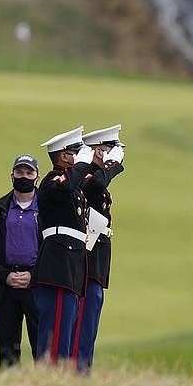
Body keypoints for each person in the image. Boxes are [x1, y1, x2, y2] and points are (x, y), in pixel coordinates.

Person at [30, 126, 95, 364]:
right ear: (65, 156)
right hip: (58, 266)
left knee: (66, 331)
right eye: (77, 151)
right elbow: (63, 186)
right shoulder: (51, 182)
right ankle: (50, 380)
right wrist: (82, 166)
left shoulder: (72, 184)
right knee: (56, 332)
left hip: (71, 266)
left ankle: (61, 380)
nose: (82, 155)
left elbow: (93, 184)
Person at [0, 154, 41, 369]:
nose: (24, 177)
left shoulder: (47, 210)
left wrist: (35, 274)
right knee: (7, 347)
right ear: (11, 176)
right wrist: (6, 276)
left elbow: (53, 249)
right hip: (4, 287)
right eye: (20, 172)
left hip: (36, 286)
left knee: (42, 345)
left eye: (29, 173)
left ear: (37, 178)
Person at [73, 124, 125, 372]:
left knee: (90, 319)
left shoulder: (97, 176)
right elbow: (92, 187)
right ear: (97, 152)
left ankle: (84, 370)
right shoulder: (86, 175)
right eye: (108, 150)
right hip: (86, 261)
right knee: (83, 320)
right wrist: (110, 167)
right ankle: (77, 372)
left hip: (97, 262)